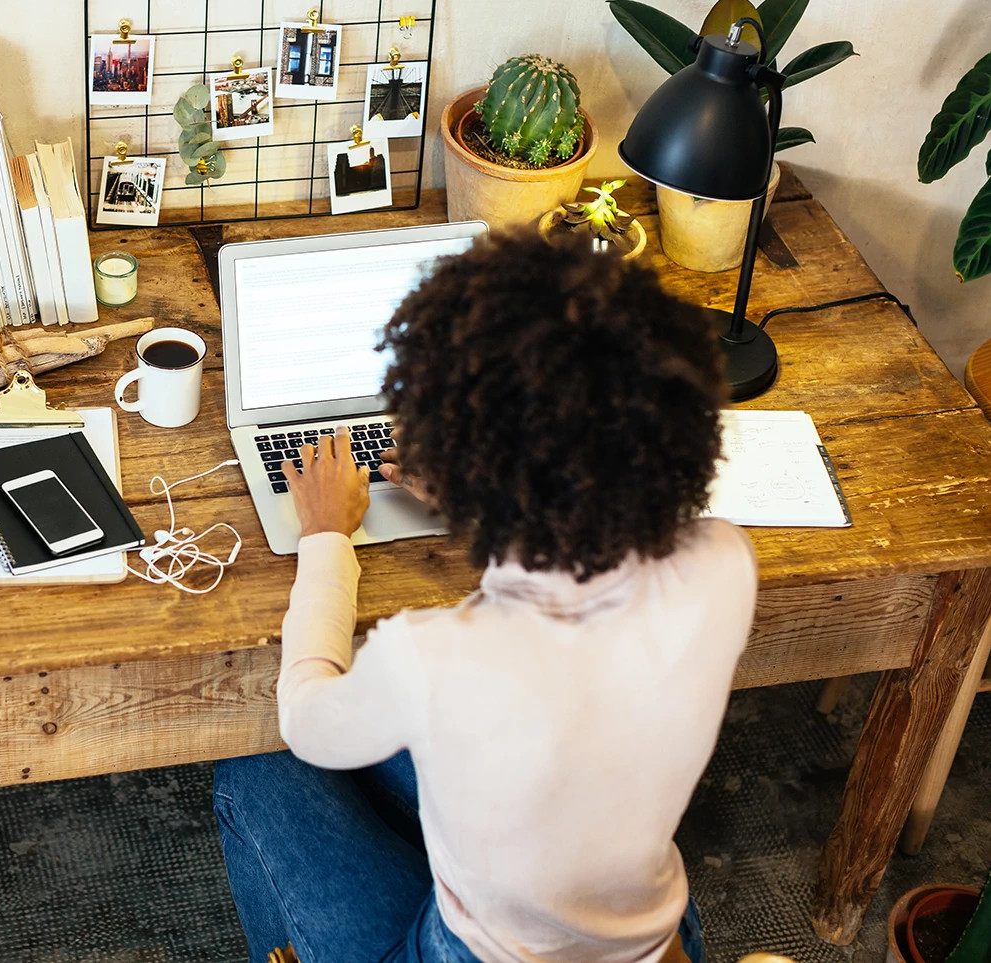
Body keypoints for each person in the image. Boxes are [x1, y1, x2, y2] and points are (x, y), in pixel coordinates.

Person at [212, 233, 758, 963]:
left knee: (250, 762)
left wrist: (324, 536)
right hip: (652, 945)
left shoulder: (439, 655)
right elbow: (561, 618)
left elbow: (305, 719)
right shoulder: (724, 561)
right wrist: (483, 496)